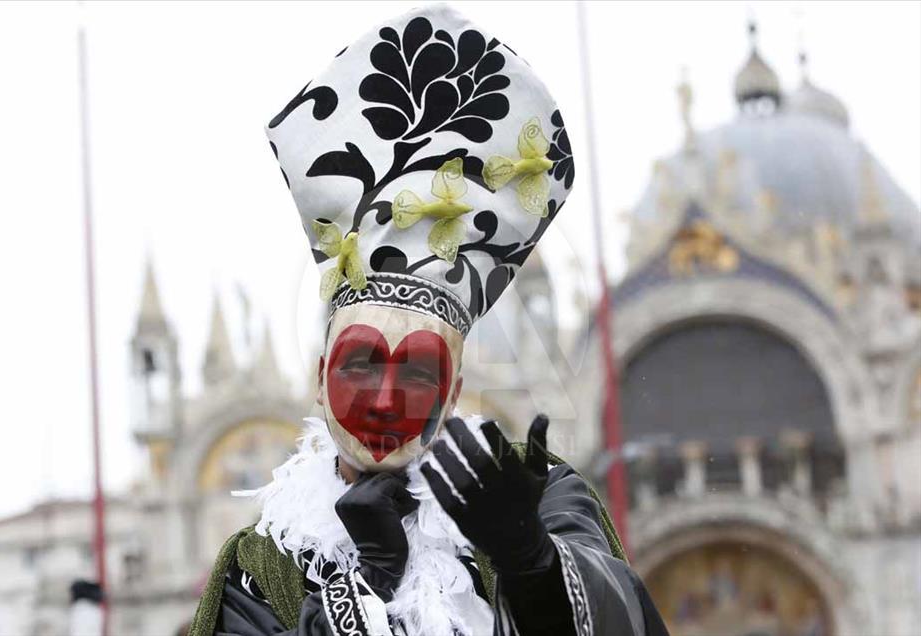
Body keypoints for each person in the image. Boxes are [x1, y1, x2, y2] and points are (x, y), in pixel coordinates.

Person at [190, 4, 668, 635]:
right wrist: (363, 587)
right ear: (319, 377)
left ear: (455, 390)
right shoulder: (259, 566)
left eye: (418, 371)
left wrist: (533, 564)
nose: (386, 400)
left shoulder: (539, 495)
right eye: (362, 364)